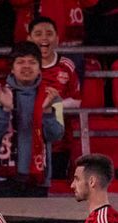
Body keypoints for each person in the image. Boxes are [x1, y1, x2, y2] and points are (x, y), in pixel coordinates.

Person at [0, 41, 63, 198]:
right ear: (12, 68)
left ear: (39, 68)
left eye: (32, 62)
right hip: (5, 178)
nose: (26, 67)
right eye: (20, 62)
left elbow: (56, 136)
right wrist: (6, 108)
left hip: (38, 178)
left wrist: (47, 111)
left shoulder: (52, 96)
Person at [27, 16, 80, 179]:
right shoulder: (22, 65)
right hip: (28, 144)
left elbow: (77, 101)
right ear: (29, 38)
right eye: (38, 33)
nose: (44, 38)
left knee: (55, 188)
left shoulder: (67, 65)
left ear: (57, 39)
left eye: (49, 33)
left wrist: (54, 105)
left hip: (59, 144)